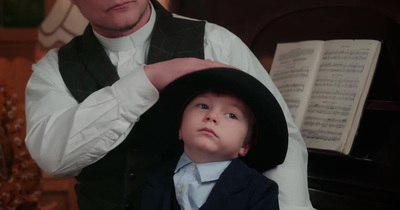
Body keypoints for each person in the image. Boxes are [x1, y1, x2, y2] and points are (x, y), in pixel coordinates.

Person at [24, 0, 313, 209]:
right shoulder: (53, 70)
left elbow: (280, 144)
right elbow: (53, 158)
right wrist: (147, 80)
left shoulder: (216, 42)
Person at [140, 68, 289, 210]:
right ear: (180, 129)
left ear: (244, 146)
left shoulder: (259, 191)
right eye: (203, 106)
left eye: (231, 115)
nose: (212, 116)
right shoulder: (154, 177)